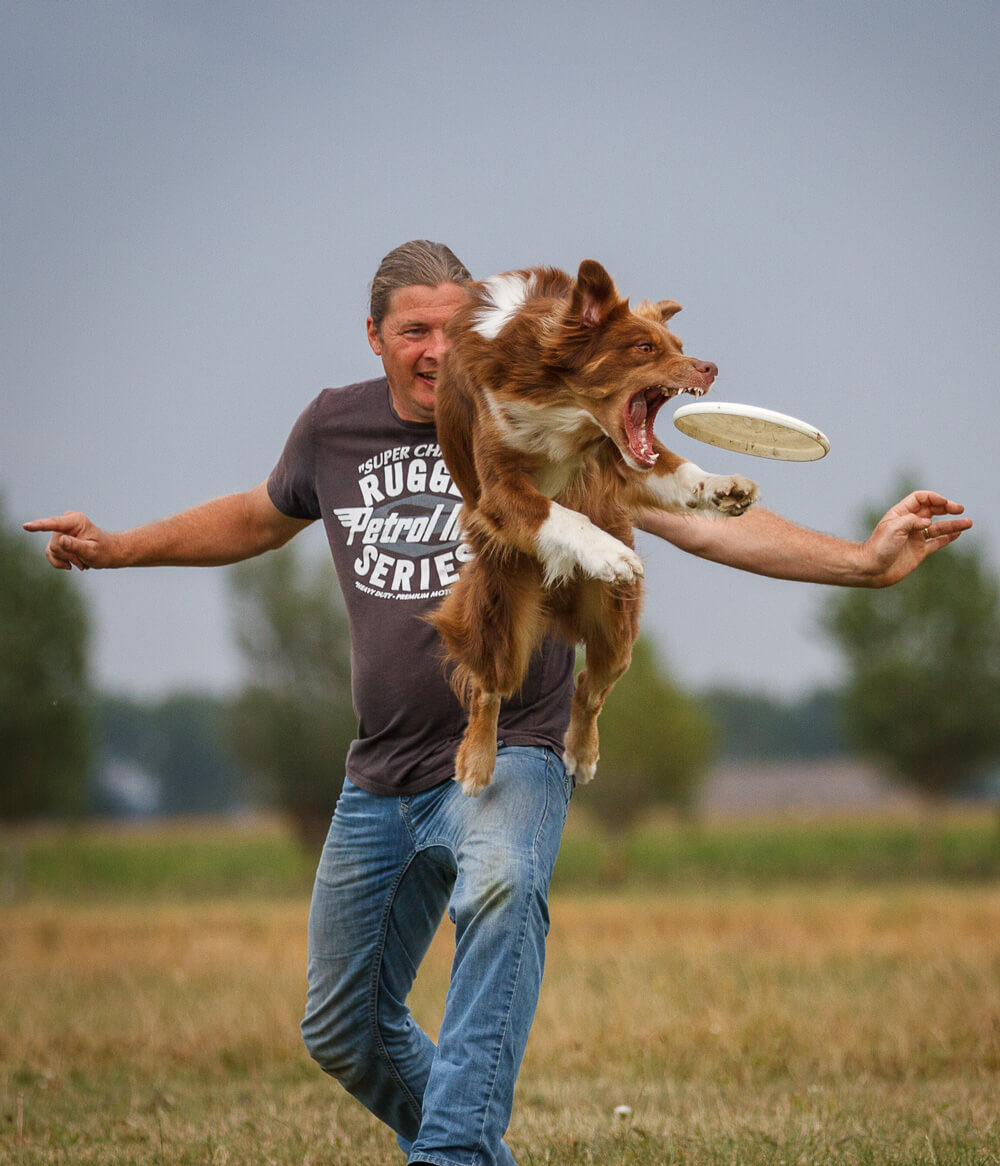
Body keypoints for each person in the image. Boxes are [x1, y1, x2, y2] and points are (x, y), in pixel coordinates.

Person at [24, 240, 971, 1166]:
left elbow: (700, 521)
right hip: (382, 772)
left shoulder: (548, 417)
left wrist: (861, 564)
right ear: (374, 337)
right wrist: (115, 547)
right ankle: (474, 1152)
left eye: (453, 326)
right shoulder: (333, 431)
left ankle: (449, 1155)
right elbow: (254, 517)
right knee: (342, 1028)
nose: (437, 349)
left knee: (503, 888)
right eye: (412, 332)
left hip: (513, 742)